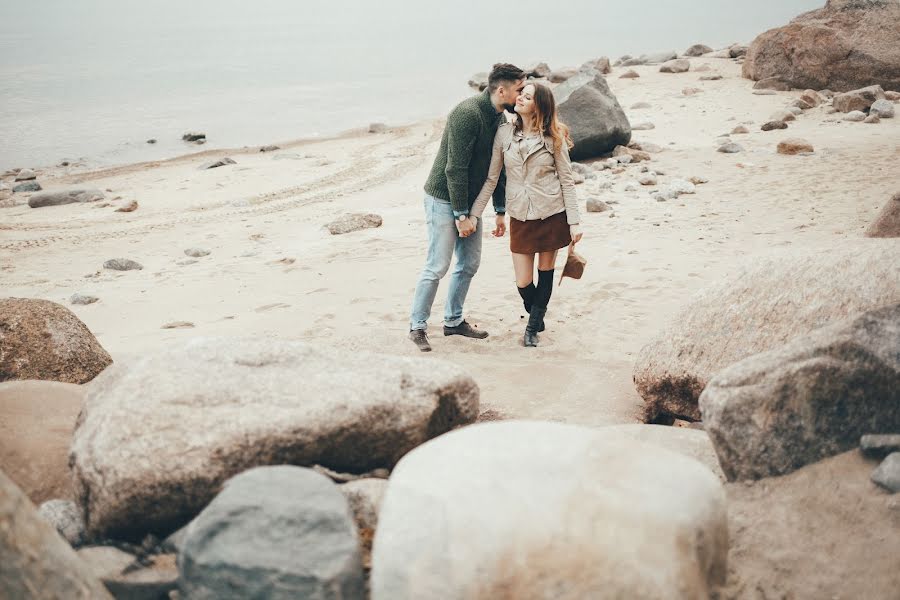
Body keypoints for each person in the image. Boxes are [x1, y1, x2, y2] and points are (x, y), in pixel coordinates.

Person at [408, 63, 526, 352]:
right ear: (502, 90)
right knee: (438, 265)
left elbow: (496, 169)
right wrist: (461, 215)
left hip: (471, 202)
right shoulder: (467, 114)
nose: (521, 96)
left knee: (469, 263)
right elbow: (454, 170)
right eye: (519, 90)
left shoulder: (499, 119)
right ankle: (418, 326)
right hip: (443, 198)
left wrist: (499, 210)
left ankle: (452, 322)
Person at [470, 82, 583, 347]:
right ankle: (538, 314)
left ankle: (531, 330)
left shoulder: (554, 137)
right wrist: (475, 214)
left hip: (551, 213)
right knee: (523, 281)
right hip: (520, 215)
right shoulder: (504, 135)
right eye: (521, 94)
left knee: (545, 272)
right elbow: (492, 178)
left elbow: (567, 181)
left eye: (527, 96)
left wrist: (574, 222)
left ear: (538, 106)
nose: (519, 98)